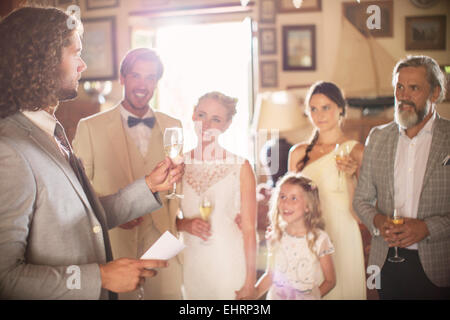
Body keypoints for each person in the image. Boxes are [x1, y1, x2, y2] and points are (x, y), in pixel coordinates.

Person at [0, 7, 184, 299]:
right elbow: (5, 279)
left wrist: (149, 186)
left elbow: (86, 218)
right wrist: (99, 276)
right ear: (44, 60)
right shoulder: (9, 150)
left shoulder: (51, 131)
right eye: (76, 53)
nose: (83, 64)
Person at [73, 48, 183, 300]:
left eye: (150, 77)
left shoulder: (173, 125)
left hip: (162, 240)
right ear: (122, 79)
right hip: (114, 241)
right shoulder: (90, 127)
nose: (143, 85)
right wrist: (114, 212)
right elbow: (79, 189)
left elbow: (179, 185)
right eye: (136, 75)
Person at [353, 55, 450, 299]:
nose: (404, 96)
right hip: (387, 262)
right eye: (399, 87)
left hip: (441, 266)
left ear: (435, 93)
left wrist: (427, 227)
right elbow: (361, 199)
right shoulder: (377, 137)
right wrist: (377, 221)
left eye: (414, 88)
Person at [288, 81, 367, 299]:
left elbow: (359, 216)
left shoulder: (357, 151)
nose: (319, 114)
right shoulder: (298, 153)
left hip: (343, 236)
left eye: (326, 107)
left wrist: (351, 177)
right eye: (313, 108)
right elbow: (288, 204)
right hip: (309, 239)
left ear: (341, 108)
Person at [175, 91, 257, 299]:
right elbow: (163, 218)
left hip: (229, 262)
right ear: (193, 115)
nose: (207, 125)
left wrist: (250, 282)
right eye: (202, 115)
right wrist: (185, 225)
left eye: (216, 119)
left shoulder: (241, 167)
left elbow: (249, 229)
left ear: (227, 124)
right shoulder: (178, 164)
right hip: (191, 265)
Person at [251, 173, 336, 300]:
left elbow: (330, 281)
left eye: (294, 198)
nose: (286, 203)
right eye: (283, 196)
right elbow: (270, 275)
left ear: (308, 206)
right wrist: (253, 294)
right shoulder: (275, 235)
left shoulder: (319, 239)